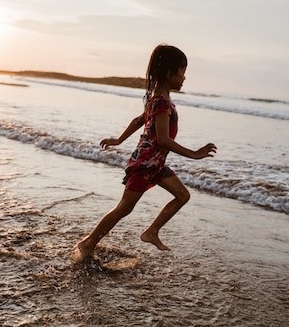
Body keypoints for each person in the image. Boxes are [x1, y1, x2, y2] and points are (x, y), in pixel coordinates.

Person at [71, 44, 217, 263]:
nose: (185, 78)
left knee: (182, 195)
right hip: (146, 163)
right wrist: (194, 154)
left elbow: (139, 120)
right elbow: (163, 139)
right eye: (182, 72)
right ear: (170, 73)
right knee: (124, 208)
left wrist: (118, 140)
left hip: (155, 163)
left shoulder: (158, 99)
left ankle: (151, 232)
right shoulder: (161, 102)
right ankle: (88, 243)